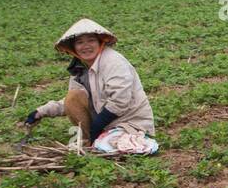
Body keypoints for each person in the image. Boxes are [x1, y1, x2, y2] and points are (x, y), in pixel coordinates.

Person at [25, 18, 158, 155]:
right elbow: (73, 102)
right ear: (73, 48)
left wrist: (97, 126)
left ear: (100, 42)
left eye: (91, 40)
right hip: (107, 124)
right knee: (74, 96)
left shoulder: (114, 62)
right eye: (80, 42)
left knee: (118, 146)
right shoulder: (80, 68)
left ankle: (94, 141)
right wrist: (41, 112)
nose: (86, 46)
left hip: (129, 123)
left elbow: (120, 101)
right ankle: (93, 141)